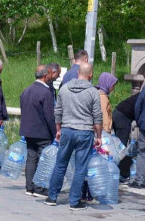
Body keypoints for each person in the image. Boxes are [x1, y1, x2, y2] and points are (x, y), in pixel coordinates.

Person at [45, 63, 103, 211]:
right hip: (84, 132)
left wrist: (58, 129)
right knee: (80, 168)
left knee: (60, 164)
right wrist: (99, 136)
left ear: (78, 73)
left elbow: (57, 111)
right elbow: (97, 116)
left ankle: (52, 197)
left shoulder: (64, 89)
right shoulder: (93, 92)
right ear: (90, 75)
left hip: (67, 130)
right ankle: (75, 201)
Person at [19, 65, 56, 197]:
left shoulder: (26, 90)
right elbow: (50, 116)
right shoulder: (46, 93)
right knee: (42, 159)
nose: (51, 77)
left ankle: (29, 187)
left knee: (31, 158)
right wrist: (55, 132)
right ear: (45, 76)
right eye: (50, 75)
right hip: (42, 132)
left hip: (28, 131)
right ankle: (39, 188)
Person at [112, 77, 145, 182]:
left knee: (121, 146)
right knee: (121, 147)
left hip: (119, 114)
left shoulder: (144, 95)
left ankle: (120, 172)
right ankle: (117, 173)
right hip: (122, 117)